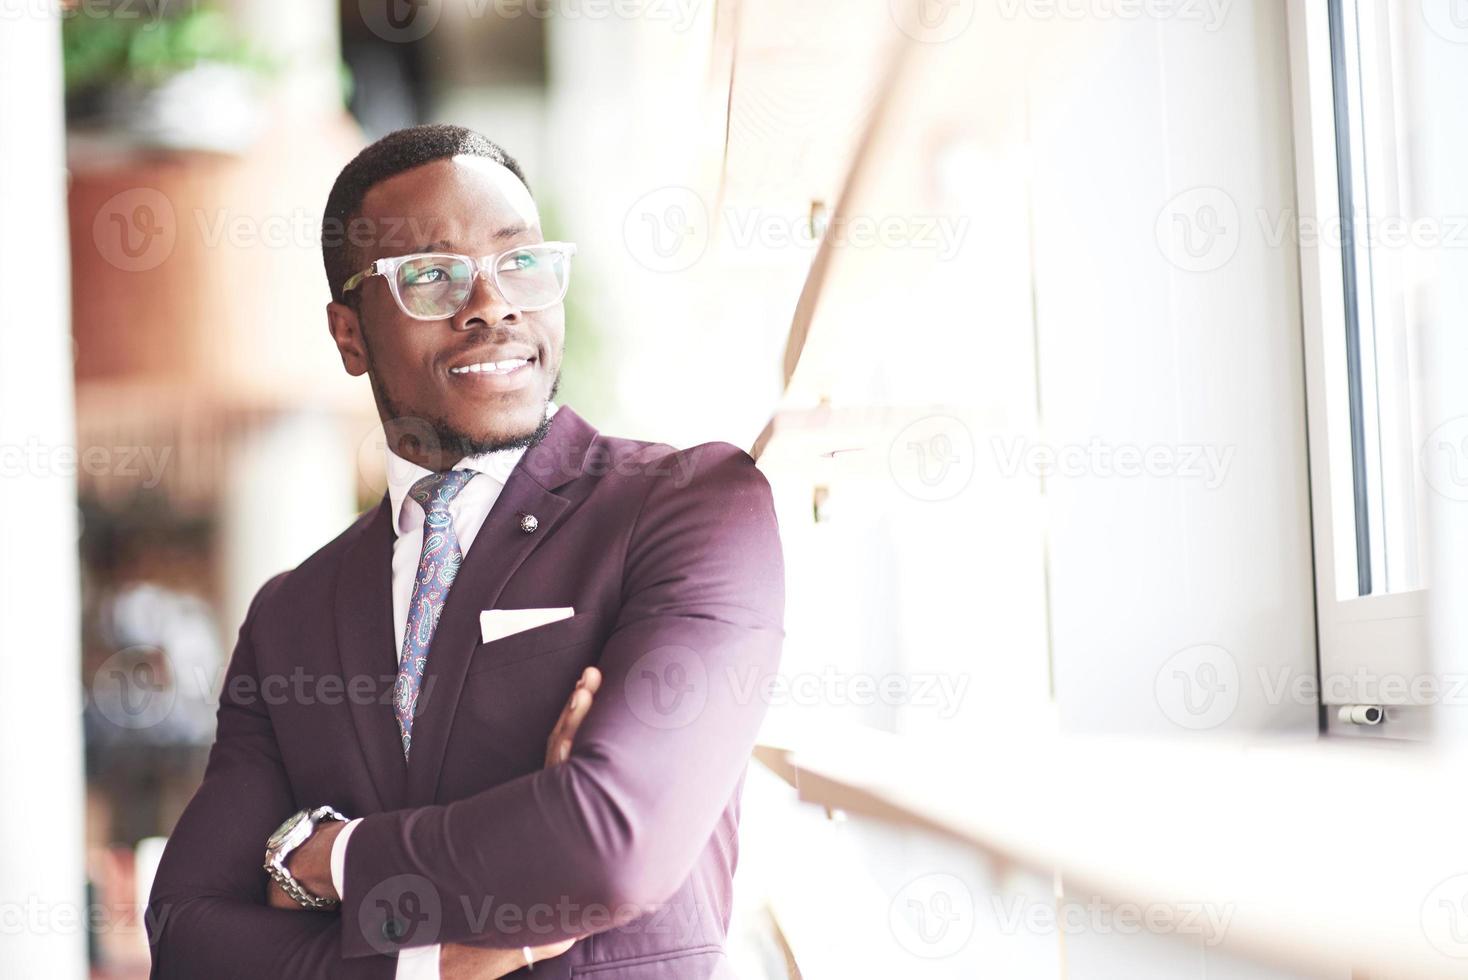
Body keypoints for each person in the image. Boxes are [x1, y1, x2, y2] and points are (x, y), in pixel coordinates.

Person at [147, 124, 786, 980]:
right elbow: (189, 937)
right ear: (350, 335)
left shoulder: (690, 507)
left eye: (520, 263)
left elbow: (611, 846)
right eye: (430, 276)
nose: (492, 302)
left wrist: (324, 859)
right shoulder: (290, 615)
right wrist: (433, 967)